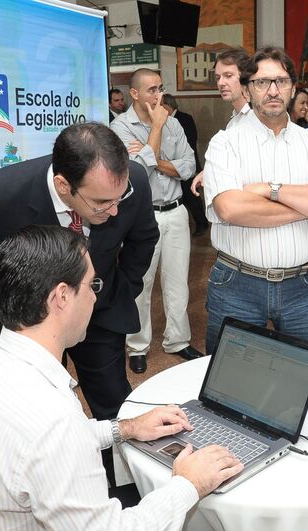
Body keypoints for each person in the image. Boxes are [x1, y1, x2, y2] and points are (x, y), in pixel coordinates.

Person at [0, 225, 243, 530]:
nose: (94, 297)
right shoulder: (54, 420)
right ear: (62, 296)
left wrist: (126, 428)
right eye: (91, 285)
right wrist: (188, 484)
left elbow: (40, 448)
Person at [0, 122, 158, 488]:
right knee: (31, 416)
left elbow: (144, 239)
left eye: (119, 199)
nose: (114, 211)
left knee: (113, 404)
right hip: (28, 329)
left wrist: (114, 291)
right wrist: (1, 312)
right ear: (63, 185)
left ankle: (125, 490)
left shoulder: (129, 181)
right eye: (101, 203)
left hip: (99, 314)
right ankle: (54, 489)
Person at [202, 46, 308, 356]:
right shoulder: (225, 143)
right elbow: (230, 208)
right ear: (247, 89)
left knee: (303, 374)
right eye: (262, 82)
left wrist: (272, 189)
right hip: (237, 285)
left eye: (281, 81)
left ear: (292, 88)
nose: (273, 90)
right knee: (230, 375)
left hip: (303, 287)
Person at [110, 68, 201, 375]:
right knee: (140, 284)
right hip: (141, 216)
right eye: (152, 90)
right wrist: (157, 129)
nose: (158, 96)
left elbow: (189, 166)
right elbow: (135, 172)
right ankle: (137, 345)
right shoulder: (120, 127)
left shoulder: (173, 123)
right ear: (134, 93)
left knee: (177, 283)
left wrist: (155, 159)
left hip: (176, 211)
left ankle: (177, 340)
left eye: (160, 89)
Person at [190, 46, 252, 197]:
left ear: (245, 78)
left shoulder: (256, 117)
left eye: (228, 76)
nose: (221, 83)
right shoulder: (234, 121)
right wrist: (208, 171)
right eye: (218, 77)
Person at [161, 93, 210, 237]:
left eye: (162, 105)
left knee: (192, 196)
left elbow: (189, 142)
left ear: (168, 105)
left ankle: (202, 223)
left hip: (185, 165)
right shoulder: (163, 120)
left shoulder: (184, 118)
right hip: (172, 168)